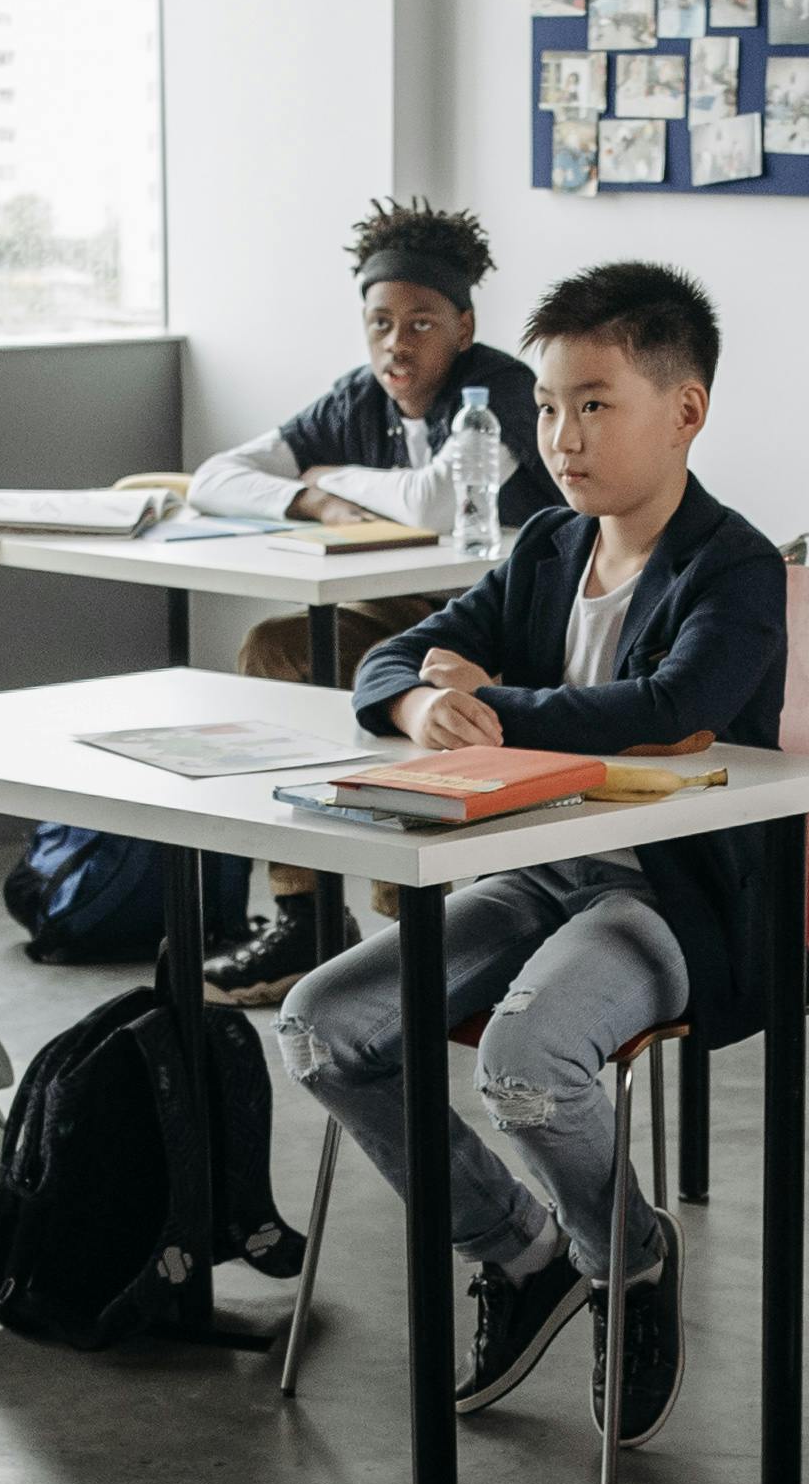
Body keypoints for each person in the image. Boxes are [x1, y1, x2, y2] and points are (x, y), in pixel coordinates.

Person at [275, 261, 790, 1446]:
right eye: (549, 405)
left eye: (595, 404)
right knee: (319, 1025)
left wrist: (495, 698)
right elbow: (393, 662)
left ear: (686, 411)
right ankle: (517, 1249)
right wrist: (418, 710)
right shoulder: (549, 547)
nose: (561, 434)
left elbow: (675, 706)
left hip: (674, 896)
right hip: (542, 876)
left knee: (524, 1062)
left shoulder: (736, 565)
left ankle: (629, 1259)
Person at [192, 200, 552, 1005]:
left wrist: (329, 477)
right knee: (275, 649)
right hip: (397, 616)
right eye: (379, 322)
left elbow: (434, 501)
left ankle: (428, 919)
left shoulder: (503, 389)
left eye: (420, 323)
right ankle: (305, 920)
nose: (396, 343)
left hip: (494, 625)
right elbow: (215, 477)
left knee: (442, 676)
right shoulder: (355, 398)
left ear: (462, 324)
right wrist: (310, 504)